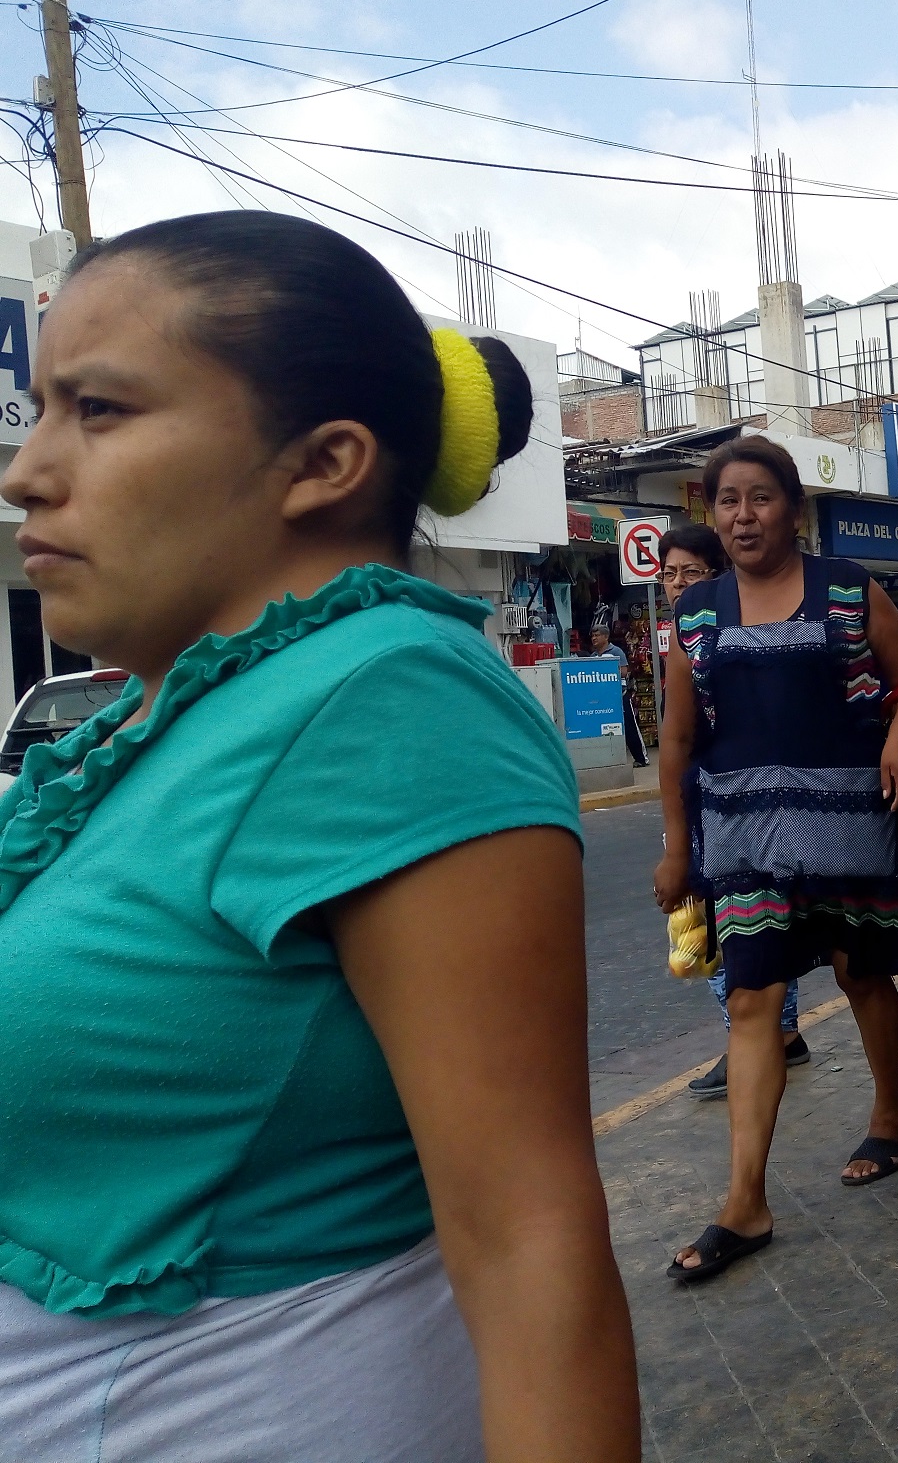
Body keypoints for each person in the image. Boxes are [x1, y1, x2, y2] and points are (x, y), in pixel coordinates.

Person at [0, 211, 638, 1459]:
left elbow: (527, 1247)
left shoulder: (386, 695)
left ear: (324, 461)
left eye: (102, 410)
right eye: (41, 409)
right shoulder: (172, 708)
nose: (29, 468)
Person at [653, 436, 898, 1282]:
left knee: (860, 974)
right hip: (741, 839)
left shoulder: (848, 588)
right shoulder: (694, 613)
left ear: (794, 509)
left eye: (761, 498)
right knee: (751, 998)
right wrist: (676, 848)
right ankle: (745, 1200)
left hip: (846, 822)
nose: (743, 516)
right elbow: (675, 739)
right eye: (728, 502)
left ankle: (892, 1116)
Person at [658, 526, 813, 1096]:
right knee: (710, 925)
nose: (677, 585)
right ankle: (767, 1031)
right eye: (669, 574)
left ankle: (769, 1031)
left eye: (690, 572)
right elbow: (673, 743)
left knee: (750, 922)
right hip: (702, 800)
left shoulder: (741, 633)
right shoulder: (685, 636)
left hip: (755, 806)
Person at [590, 621, 651, 769]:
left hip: (620, 695)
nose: (594, 638)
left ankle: (641, 758)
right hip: (602, 698)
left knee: (630, 726)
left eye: (597, 635)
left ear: (606, 637)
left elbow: (624, 671)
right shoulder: (593, 656)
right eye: (592, 636)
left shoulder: (616, 652)